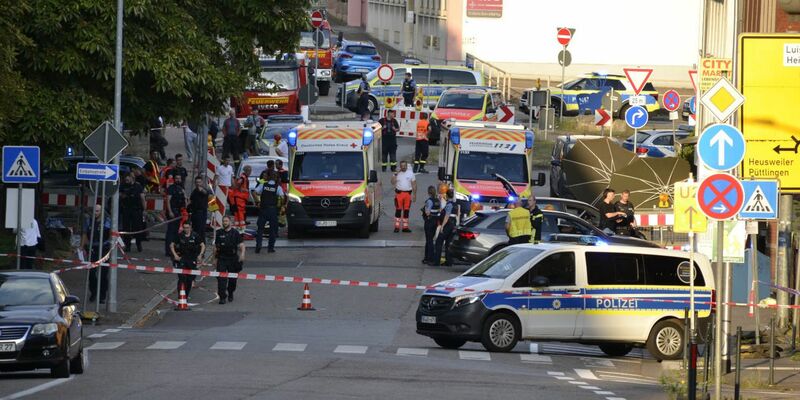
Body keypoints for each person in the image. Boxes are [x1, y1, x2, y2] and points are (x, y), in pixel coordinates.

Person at [82, 205, 111, 302]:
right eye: (94, 211)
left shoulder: (107, 221)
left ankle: (102, 295)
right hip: (92, 248)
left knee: (103, 274)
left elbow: (112, 234)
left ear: (102, 212)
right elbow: (85, 234)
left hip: (104, 249)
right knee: (91, 274)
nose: (95, 213)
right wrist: (82, 247)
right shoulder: (89, 221)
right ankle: (93, 293)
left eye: (97, 211)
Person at [214, 215, 245, 304]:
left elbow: (242, 245)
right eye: (223, 221)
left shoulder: (235, 233)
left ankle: (230, 292)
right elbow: (216, 247)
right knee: (221, 279)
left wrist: (242, 254)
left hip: (232, 259)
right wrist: (214, 259)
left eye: (226, 221)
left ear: (230, 222)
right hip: (222, 258)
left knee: (232, 279)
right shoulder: (219, 233)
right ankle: (222, 297)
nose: (225, 223)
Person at [170, 221, 205, 297]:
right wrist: (175, 255)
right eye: (184, 228)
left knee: (189, 279)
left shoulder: (195, 236)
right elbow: (172, 245)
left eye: (187, 228)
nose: (186, 229)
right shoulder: (179, 236)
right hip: (182, 260)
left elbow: (202, 245)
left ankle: (186, 295)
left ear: (190, 227)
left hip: (192, 260)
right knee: (182, 278)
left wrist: (200, 255)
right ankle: (181, 296)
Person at [255, 170, 285, 253]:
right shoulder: (277, 187)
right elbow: (282, 197)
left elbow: (254, 192)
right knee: (273, 230)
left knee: (260, 228)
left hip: (263, 209)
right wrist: (282, 206)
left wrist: (257, 202)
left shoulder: (263, 185)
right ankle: (270, 248)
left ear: (268, 177)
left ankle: (258, 245)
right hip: (272, 210)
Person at [119, 173, 146, 252]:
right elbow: (120, 195)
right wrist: (124, 195)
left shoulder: (138, 186)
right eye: (125, 180)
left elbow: (142, 198)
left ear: (132, 178)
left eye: (128, 179)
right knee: (126, 228)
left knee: (137, 228)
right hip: (126, 209)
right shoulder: (123, 185)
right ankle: (127, 245)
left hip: (136, 210)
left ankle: (138, 244)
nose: (126, 181)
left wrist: (144, 210)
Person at [432, 189, 458, 267]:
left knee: (439, 242)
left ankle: (436, 261)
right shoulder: (456, 204)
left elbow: (447, 216)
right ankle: (448, 261)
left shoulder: (449, 204)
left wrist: (442, 226)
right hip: (453, 224)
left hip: (448, 225)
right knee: (448, 243)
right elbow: (457, 214)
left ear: (447, 195)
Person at [391, 160, 416, 233]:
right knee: (398, 210)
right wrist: (395, 174)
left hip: (408, 194)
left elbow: (414, 184)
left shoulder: (410, 173)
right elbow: (392, 182)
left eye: (405, 166)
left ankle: (405, 227)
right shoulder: (397, 174)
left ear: (406, 166)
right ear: (400, 166)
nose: (403, 167)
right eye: (402, 166)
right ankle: (397, 227)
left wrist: (414, 194)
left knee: (406, 211)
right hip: (399, 194)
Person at [166, 174, 187, 256]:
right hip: (173, 211)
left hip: (179, 212)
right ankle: (168, 251)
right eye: (176, 178)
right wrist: (170, 211)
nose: (178, 180)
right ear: (174, 179)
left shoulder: (182, 188)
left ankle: (173, 250)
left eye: (179, 178)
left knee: (176, 232)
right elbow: (168, 200)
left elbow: (185, 199)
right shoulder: (171, 188)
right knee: (171, 232)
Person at [421, 186, 441, 265]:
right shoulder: (438, 201)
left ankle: (430, 258)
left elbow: (427, 212)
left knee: (429, 240)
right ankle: (426, 257)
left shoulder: (429, 201)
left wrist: (424, 210)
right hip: (436, 221)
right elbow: (439, 210)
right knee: (430, 239)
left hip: (429, 221)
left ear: (429, 192)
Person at [230, 165, 251, 231]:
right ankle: (241, 228)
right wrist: (240, 189)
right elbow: (238, 183)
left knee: (237, 213)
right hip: (240, 198)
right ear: (247, 171)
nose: (250, 173)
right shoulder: (243, 177)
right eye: (249, 171)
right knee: (240, 213)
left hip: (239, 198)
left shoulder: (243, 177)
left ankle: (238, 228)